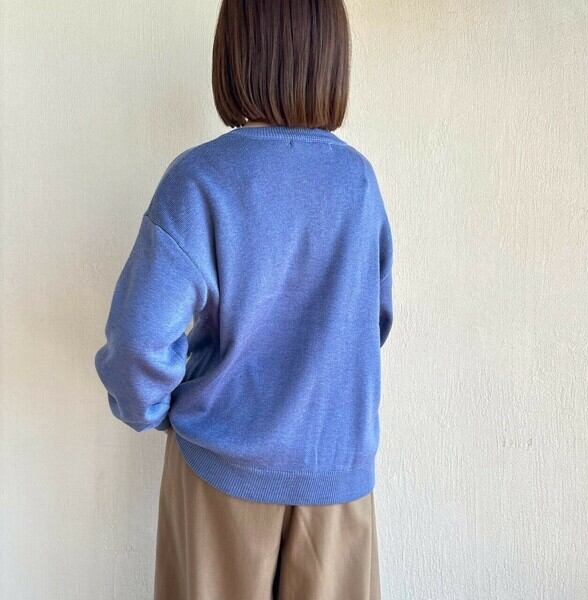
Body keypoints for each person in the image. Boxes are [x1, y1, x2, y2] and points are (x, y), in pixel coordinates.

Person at [94, 0, 393, 597]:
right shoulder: (358, 183)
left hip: (220, 473)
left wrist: (152, 412)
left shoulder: (201, 180)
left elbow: (138, 339)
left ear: (234, 52)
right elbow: (372, 323)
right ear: (330, 55)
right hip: (336, 477)